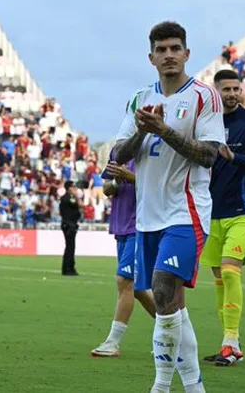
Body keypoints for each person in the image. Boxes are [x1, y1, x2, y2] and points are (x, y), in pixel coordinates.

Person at [114, 21, 224, 393]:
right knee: (172, 305)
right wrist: (143, 131)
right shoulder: (139, 98)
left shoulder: (204, 97)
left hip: (186, 210)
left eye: (175, 48)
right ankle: (194, 387)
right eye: (161, 50)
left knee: (162, 289)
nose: (169, 55)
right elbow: (119, 153)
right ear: (151, 58)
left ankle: (160, 386)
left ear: (187, 54)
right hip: (147, 215)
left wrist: (164, 131)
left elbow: (209, 156)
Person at [199, 69, 245, 367]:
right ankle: (227, 342)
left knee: (231, 271)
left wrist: (236, 158)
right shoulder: (206, 123)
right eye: (226, 89)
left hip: (244, 211)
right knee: (219, 279)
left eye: (236, 88)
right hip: (212, 212)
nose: (232, 93)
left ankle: (232, 343)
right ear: (215, 91)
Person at [91, 151, 156, 357]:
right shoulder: (119, 151)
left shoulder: (152, 149)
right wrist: (118, 180)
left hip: (141, 224)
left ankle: (113, 342)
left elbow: (159, 186)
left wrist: (129, 176)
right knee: (136, 287)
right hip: (120, 225)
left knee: (124, 280)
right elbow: (107, 188)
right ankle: (171, 329)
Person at [59, 180, 80, 276]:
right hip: (69, 225)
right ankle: (68, 269)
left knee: (70, 247)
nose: (75, 189)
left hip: (71, 224)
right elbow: (79, 204)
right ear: (69, 188)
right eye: (73, 187)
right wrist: (76, 196)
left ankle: (69, 268)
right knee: (70, 247)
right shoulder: (67, 198)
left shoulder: (67, 198)